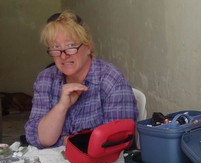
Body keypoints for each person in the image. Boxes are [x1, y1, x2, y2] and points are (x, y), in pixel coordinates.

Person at [25, 10, 137, 148]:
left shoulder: (111, 80)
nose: (64, 56)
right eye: (55, 48)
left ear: (88, 47)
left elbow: (116, 140)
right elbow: (39, 138)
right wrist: (62, 106)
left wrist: (68, 141)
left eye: (71, 46)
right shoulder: (45, 79)